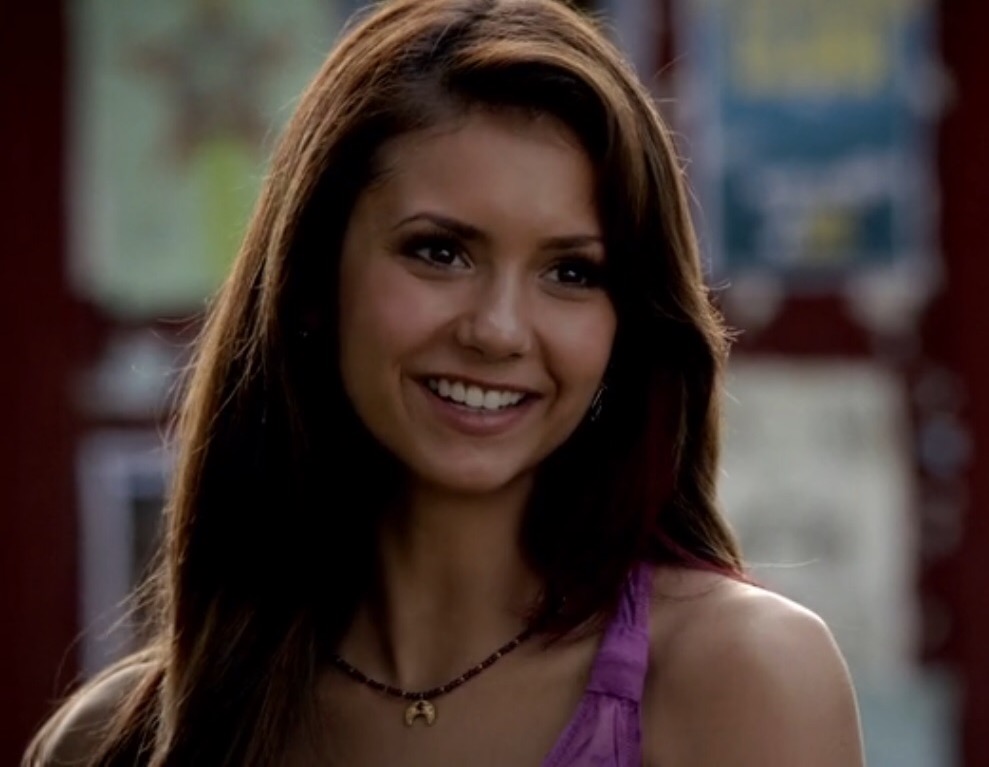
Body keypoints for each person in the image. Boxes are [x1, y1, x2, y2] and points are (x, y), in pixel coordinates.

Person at [25, 0, 865, 765]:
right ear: (314, 279)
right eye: (439, 252)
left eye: (571, 272)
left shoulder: (741, 679)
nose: (497, 330)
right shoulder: (114, 742)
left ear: (628, 325)